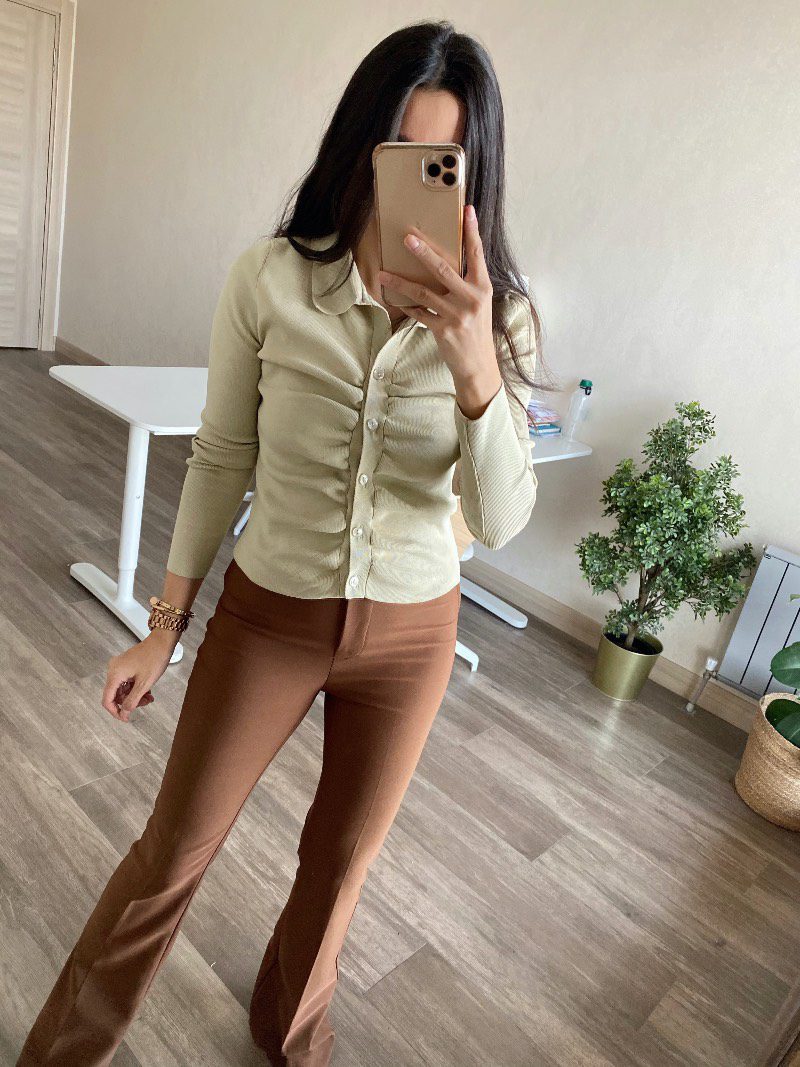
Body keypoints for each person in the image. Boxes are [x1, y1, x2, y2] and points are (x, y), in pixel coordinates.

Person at [17, 18, 543, 1067]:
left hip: (412, 638)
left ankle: (292, 1037)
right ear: (358, 145)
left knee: (338, 867)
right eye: (398, 150)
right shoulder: (270, 279)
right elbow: (220, 458)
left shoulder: (502, 320)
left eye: (443, 160)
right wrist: (162, 627)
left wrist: (475, 366)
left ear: (472, 174)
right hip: (269, 618)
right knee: (171, 852)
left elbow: (497, 519)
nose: (416, 180)